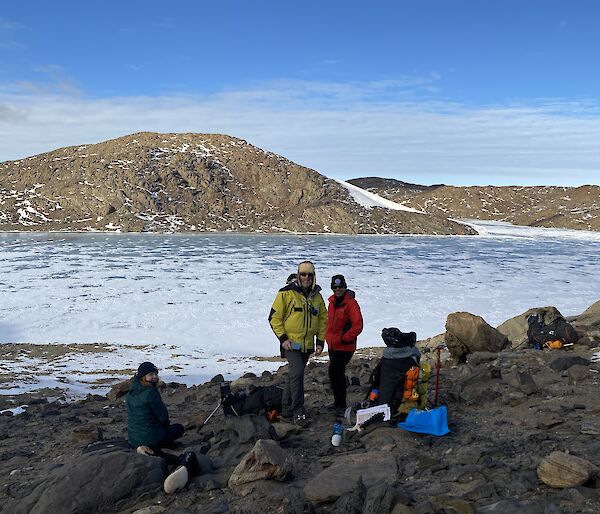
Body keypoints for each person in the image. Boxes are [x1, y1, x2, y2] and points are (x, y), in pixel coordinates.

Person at [269, 261, 327, 426]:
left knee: (293, 376)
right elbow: (274, 318)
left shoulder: (317, 296)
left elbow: (323, 319)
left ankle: (286, 409)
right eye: (303, 274)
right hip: (291, 345)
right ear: (298, 274)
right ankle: (298, 409)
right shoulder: (286, 294)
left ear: (314, 276)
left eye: (310, 274)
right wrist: (283, 339)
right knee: (298, 373)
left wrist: (320, 341)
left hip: (307, 345)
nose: (306, 277)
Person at [126, 362, 198, 494]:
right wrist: (165, 428)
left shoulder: (130, 394)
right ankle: (156, 448)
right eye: (150, 375)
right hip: (151, 437)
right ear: (143, 376)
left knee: (157, 430)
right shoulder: (150, 393)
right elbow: (163, 416)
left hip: (133, 438)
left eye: (155, 374)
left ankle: (143, 447)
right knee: (178, 429)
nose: (154, 377)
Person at [325, 275, 363, 417]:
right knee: (336, 374)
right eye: (335, 287)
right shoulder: (332, 302)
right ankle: (338, 403)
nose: (338, 289)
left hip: (345, 346)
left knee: (335, 372)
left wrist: (345, 338)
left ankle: (340, 405)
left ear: (345, 287)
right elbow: (329, 323)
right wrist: (327, 339)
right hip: (333, 345)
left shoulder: (351, 303)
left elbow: (358, 324)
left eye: (340, 287)